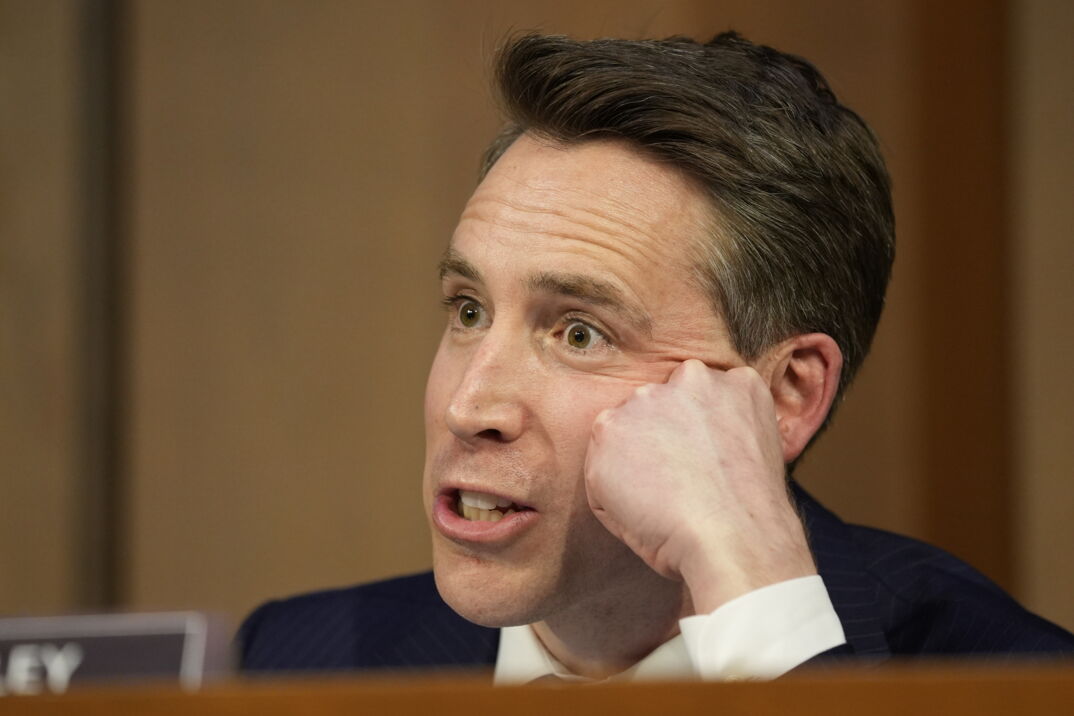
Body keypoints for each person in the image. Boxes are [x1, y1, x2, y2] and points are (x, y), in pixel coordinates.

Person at [239, 31, 1074, 682]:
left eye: (578, 333)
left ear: (786, 394)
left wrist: (756, 592)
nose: (470, 406)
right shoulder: (302, 658)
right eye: (468, 310)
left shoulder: (1003, 674)